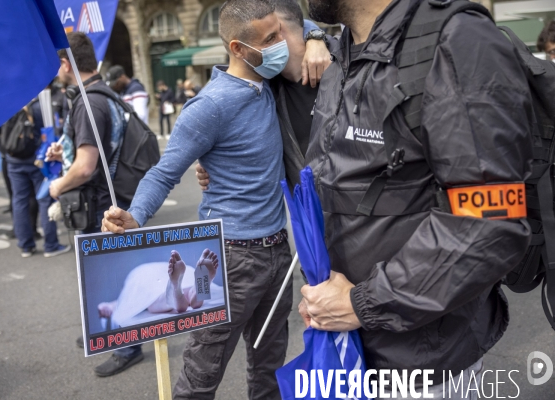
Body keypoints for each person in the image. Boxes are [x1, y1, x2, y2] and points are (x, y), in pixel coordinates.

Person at [298, 0, 534, 398]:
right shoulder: (343, 52)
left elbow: (489, 222)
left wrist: (361, 303)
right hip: (347, 349)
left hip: (423, 365)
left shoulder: (457, 40)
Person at [102, 1, 295, 397]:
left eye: (280, 32)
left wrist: (313, 40)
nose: (282, 43)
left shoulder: (270, 83)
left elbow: (307, 25)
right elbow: (164, 170)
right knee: (201, 373)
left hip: (278, 251)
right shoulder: (209, 106)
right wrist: (135, 215)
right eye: (271, 38)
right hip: (226, 261)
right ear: (238, 49)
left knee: (269, 368)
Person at [46, 32, 140, 377]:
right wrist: (65, 150)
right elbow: (90, 153)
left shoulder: (89, 102)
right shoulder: (100, 94)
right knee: (104, 276)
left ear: (66, 64)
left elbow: (86, 168)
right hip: (105, 200)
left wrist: (58, 184)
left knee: (111, 278)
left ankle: (127, 346)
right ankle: (103, 333)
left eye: (55, 63)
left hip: (100, 204)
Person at [197, 0, 332, 192]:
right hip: (307, 210)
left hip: (356, 208)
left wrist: (316, 37)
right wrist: (216, 161)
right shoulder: (267, 85)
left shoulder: (339, 62)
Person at [3, 101, 69, 258]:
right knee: (45, 200)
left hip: (13, 161)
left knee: (19, 201)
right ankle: (51, 245)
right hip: (38, 162)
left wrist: (8, 153)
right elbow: (51, 133)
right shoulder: (40, 106)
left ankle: (26, 246)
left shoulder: (6, 106)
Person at [97, 249, 220, 328]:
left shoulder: (126, 294)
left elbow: (122, 304)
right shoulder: (120, 300)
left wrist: (106, 307)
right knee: (185, 285)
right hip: (172, 272)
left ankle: (174, 292)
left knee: (152, 298)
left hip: (143, 276)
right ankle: (193, 292)